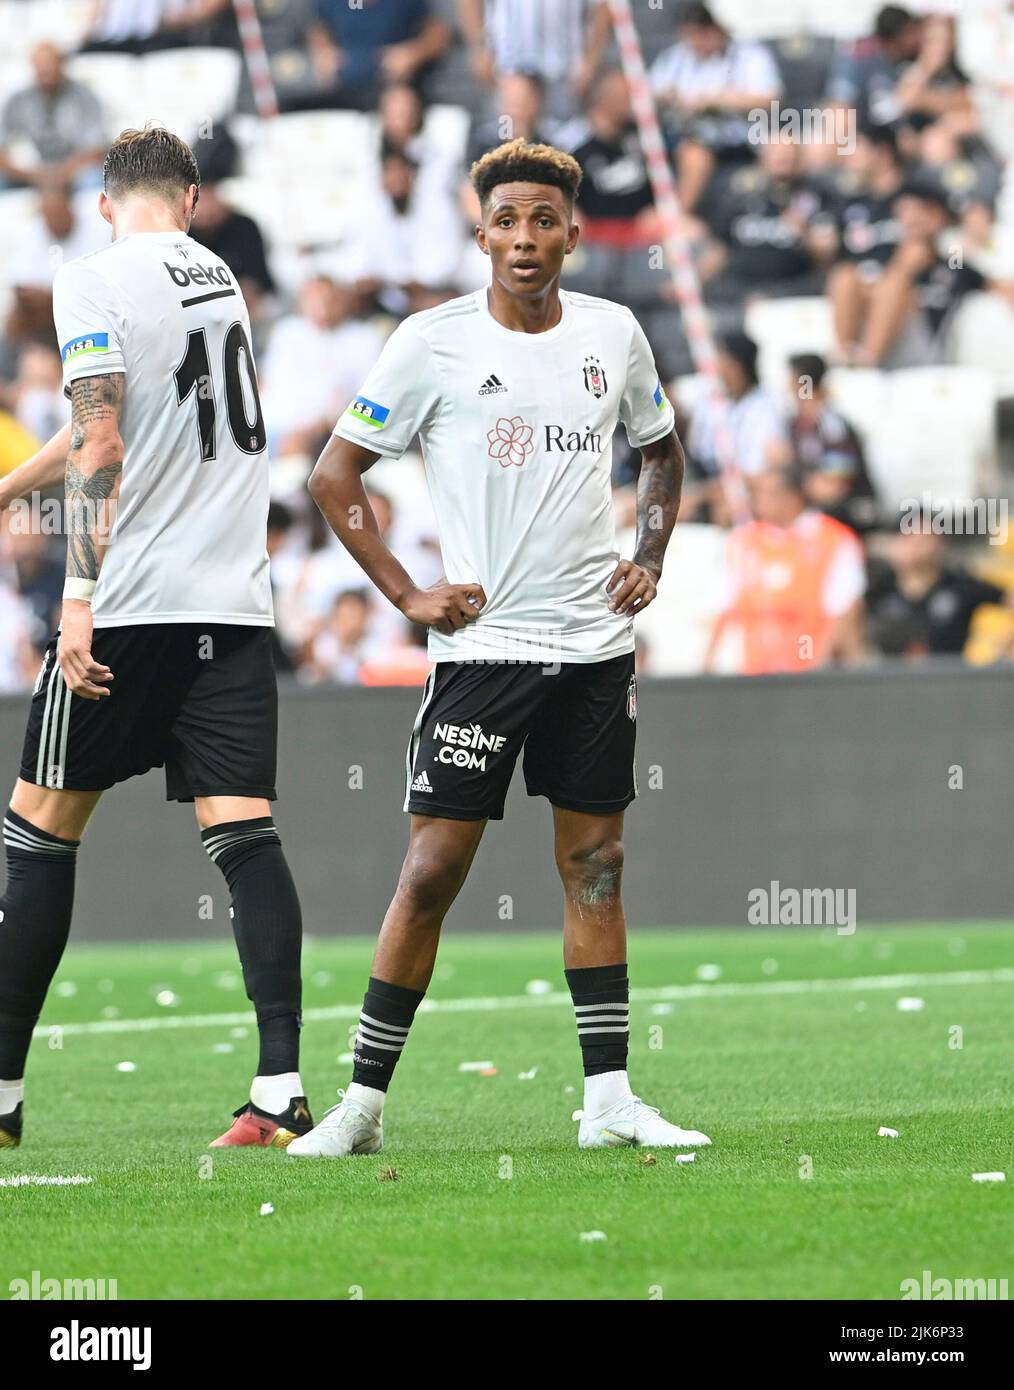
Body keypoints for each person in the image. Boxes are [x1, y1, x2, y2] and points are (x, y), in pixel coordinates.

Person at [291, 136, 710, 1159]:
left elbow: (661, 451)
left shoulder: (615, 333)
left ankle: (608, 1098)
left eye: (543, 219)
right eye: (507, 220)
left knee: (598, 864)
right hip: (485, 653)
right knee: (432, 871)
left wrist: (648, 552)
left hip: (596, 648)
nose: (525, 238)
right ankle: (361, 1105)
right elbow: (333, 478)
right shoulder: (428, 342)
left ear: (572, 231)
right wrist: (407, 593)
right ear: (481, 233)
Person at [0, 126, 313, 1153]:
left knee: (39, 828)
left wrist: (77, 596)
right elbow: (112, 424)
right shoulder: (217, 275)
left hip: (129, 603)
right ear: (187, 198)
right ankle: (277, 1090)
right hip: (232, 605)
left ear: (103, 203)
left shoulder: (89, 278)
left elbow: (104, 436)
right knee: (243, 837)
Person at [705, 468, 866, 675]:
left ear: (793, 497)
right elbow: (724, 606)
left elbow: (844, 613)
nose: (757, 500)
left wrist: (817, 671)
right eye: (756, 492)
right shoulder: (743, 541)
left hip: (808, 673)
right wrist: (708, 664)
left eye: (767, 493)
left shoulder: (834, 540)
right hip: (749, 675)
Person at [866, 522, 1013, 659]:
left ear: (940, 543)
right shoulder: (879, 588)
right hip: (889, 681)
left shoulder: (960, 586)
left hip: (949, 680)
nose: (916, 545)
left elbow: (1007, 598)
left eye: (925, 538)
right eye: (909, 537)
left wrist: (1004, 647)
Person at [0, 43, 106, 189]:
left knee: (95, 181)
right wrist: (32, 175)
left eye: (51, 63)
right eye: (41, 65)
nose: (46, 70)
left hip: (73, 172)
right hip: (28, 173)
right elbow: (2, 151)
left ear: (62, 64)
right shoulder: (17, 101)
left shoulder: (84, 97)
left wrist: (61, 174)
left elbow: (97, 148)